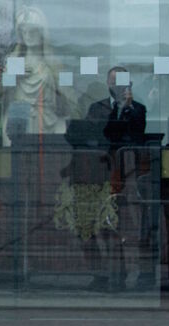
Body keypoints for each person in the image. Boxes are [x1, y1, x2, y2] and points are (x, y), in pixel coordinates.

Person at [61, 66, 146, 292]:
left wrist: (126, 110)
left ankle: (118, 273)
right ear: (107, 83)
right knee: (88, 225)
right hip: (94, 173)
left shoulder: (138, 109)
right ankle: (99, 272)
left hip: (121, 175)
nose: (117, 85)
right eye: (113, 81)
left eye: (122, 81)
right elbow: (92, 134)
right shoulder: (96, 107)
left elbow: (136, 136)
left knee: (115, 225)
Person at [0, 6, 67, 147]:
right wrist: (12, 77)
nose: (28, 36)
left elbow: (64, 95)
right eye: (24, 32)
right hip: (19, 120)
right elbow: (1, 93)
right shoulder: (14, 61)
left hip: (47, 121)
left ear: (42, 33)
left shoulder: (52, 63)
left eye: (33, 31)